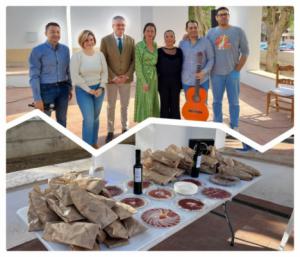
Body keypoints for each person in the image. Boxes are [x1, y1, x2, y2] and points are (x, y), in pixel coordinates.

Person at [206, 7, 249, 129]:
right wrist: (187, 37)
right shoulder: (210, 33)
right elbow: (203, 48)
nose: (223, 16)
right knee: (216, 101)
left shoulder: (238, 31)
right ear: (217, 18)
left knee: (234, 102)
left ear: (228, 16)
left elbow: (245, 52)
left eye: (226, 14)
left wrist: (237, 70)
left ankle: (234, 125)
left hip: (232, 74)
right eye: (221, 15)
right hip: (216, 74)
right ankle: (217, 123)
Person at [29, 22, 72, 127]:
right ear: (45, 33)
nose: (56, 34)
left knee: (62, 121)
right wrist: (37, 98)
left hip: (63, 89)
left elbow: (68, 70)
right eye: (52, 32)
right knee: (44, 121)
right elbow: (34, 76)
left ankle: (60, 141)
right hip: (46, 90)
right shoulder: (37, 50)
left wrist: (69, 88)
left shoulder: (65, 50)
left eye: (58, 32)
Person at [100, 16, 135, 143]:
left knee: (125, 105)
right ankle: (110, 130)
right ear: (113, 26)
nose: (120, 27)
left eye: (122, 25)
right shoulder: (105, 40)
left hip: (126, 80)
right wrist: (113, 76)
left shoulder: (131, 40)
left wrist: (127, 75)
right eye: (117, 25)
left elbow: (133, 60)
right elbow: (103, 61)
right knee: (111, 106)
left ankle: (125, 128)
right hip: (111, 81)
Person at [70, 30, 108, 148]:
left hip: (99, 89)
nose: (89, 42)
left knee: (96, 118)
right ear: (82, 41)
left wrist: (101, 87)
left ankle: (93, 142)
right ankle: (86, 146)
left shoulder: (100, 55)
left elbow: (105, 72)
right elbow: (75, 76)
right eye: (86, 40)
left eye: (91, 39)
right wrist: (88, 90)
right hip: (83, 90)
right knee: (89, 119)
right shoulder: (77, 56)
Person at [179, 20, 214, 98]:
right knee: (190, 106)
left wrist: (203, 72)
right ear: (186, 30)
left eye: (195, 27)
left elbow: (211, 59)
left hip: (202, 81)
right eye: (190, 28)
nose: (193, 30)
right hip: (186, 81)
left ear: (198, 28)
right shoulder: (182, 43)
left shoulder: (206, 42)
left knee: (202, 106)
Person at [134, 22, 160, 122]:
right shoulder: (139, 46)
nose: (150, 33)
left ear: (155, 33)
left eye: (152, 31)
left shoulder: (155, 45)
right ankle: (144, 125)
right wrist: (144, 81)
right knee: (145, 101)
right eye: (148, 31)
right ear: (144, 32)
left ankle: (152, 124)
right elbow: (138, 66)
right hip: (143, 77)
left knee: (152, 100)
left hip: (154, 78)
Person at [156, 30, 183, 119]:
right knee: (164, 106)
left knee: (175, 106)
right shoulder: (159, 51)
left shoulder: (179, 51)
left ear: (174, 38)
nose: (169, 38)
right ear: (164, 38)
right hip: (163, 83)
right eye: (167, 36)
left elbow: (182, 67)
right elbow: (155, 67)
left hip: (176, 83)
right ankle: (164, 127)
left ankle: (176, 127)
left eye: (171, 36)